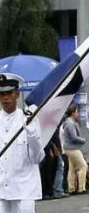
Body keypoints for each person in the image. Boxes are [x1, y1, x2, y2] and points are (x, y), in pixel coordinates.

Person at [0, 73, 45, 213]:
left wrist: (32, 134)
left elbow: (37, 157)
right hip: (2, 187)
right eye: (1, 94)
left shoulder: (29, 120)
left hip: (24, 188)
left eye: (9, 93)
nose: (5, 97)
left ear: (17, 94)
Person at [62, 104, 88, 194]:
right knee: (83, 166)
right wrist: (83, 140)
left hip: (68, 148)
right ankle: (81, 188)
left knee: (72, 168)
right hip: (72, 148)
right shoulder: (70, 124)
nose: (77, 114)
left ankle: (71, 188)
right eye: (76, 112)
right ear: (73, 113)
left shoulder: (70, 123)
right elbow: (74, 137)